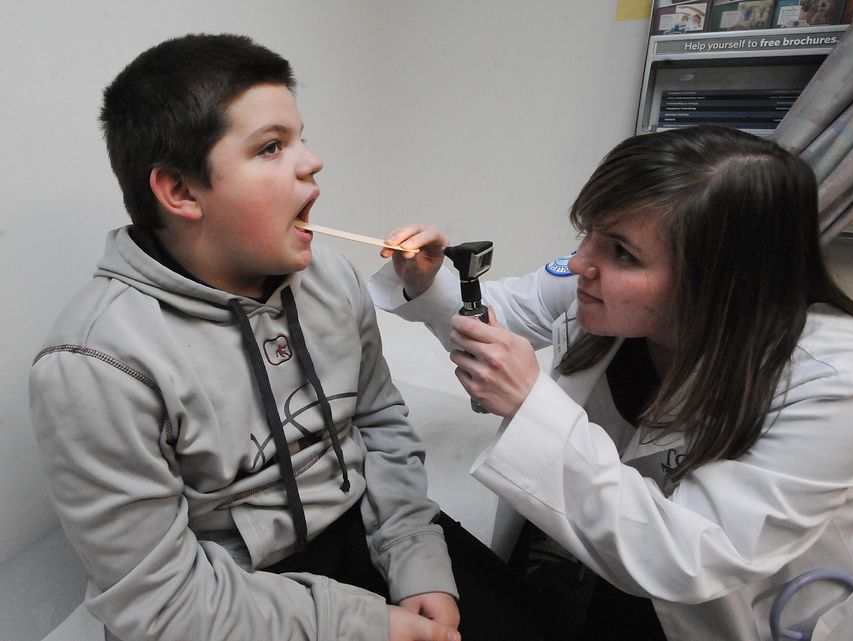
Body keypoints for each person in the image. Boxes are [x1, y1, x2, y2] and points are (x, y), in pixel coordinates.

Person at [29, 33, 542, 641]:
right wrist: (364, 625)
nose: (312, 161)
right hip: (226, 592)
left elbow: (379, 422)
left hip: (362, 528)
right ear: (181, 191)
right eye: (271, 146)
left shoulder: (331, 277)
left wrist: (415, 555)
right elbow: (159, 600)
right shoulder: (93, 364)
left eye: (300, 138)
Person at [368, 125, 853, 641]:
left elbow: (692, 555)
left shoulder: (839, 380)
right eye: (588, 233)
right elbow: (510, 311)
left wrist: (529, 404)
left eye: (623, 253)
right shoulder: (596, 282)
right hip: (603, 567)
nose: (580, 263)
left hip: (738, 609)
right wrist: (427, 282)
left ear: (724, 279)